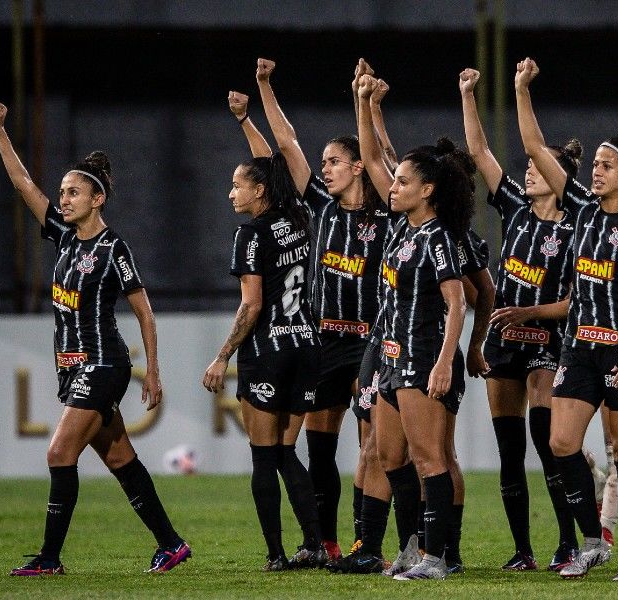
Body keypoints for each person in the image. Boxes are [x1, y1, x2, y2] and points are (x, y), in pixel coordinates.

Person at [0, 102, 191, 576]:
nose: (63, 199)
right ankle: (171, 544)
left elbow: (144, 311)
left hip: (102, 363)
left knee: (59, 452)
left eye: (73, 192)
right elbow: (24, 184)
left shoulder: (113, 248)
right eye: (62, 191)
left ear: (97, 199)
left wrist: (153, 370)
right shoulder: (63, 237)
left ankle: (49, 559)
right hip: (73, 366)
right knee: (121, 458)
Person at [516, 58, 618, 581]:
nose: (596, 171)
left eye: (607, 165)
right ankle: (590, 543)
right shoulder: (580, 207)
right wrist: (522, 89)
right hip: (579, 347)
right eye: (596, 164)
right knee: (561, 443)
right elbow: (535, 146)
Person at [248, 57, 392, 562]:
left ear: (357, 167)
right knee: (319, 448)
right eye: (323, 162)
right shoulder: (319, 207)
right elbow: (286, 143)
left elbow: (382, 155)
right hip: (324, 340)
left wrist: (364, 103)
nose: (324, 168)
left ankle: (367, 543)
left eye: (333, 161)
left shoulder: (387, 211)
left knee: (373, 447)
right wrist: (265, 85)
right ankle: (325, 542)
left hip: (370, 342)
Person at [459, 66, 583, 572]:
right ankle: (523, 550)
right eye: (529, 166)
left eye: (538, 166)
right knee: (509, 451)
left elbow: (575, 303)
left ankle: (569, 542)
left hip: (547, 341)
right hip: (504, 339)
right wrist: (468, 95)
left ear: (558, 177)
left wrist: (529, 311)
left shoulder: (577, 226)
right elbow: (479, 152)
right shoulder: (514, 206)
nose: (529, 171)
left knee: (547, 443)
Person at [355, 73, 476, 581]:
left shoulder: (439, 238)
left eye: (404, 182)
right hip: (389, 356)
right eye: (396, 180)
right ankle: (410, 547)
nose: (393, 186)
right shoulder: (400, 228)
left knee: (430, 460)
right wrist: (362, 100)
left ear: (428, 191)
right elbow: (371, 156)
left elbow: (457, 303)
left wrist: (445, 362)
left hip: (423, 356)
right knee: (390, 456)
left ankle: (436, 557)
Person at [201, 154, 325, 571]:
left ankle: (275, 554)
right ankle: (314, 544)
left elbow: (251, 305)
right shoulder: (300, 218)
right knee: (287, 451)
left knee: (264, 456)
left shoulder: (250, 233)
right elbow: (277, 160)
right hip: (306, 344)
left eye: (237, 185)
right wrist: (246, 122)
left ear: (260, 190)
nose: (231, 193)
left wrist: (222, 356)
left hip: (269, 350)